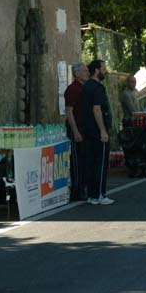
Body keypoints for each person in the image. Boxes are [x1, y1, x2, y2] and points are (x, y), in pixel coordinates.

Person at [80, 60, 115, 205]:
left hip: (88, 130)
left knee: (91, 162)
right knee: (100, 163)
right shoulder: (97, 87)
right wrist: (103, 130)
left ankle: (92, 195)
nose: (105, 71)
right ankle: (99, 194)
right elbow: (97, 109)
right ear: (96, 70)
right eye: (103, 68)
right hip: (97, 131)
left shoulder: (86, 86)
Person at [64, 62, 89, 201]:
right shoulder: (72, 89)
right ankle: (77, 190)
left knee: (85, 159)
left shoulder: (86, 88)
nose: (87, 73)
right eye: (84, 71)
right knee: (77, 161)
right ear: (77, 73)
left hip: (86, 127)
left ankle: (83, 187)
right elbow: (69, 111)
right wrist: (76, 131)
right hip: (76, 128)